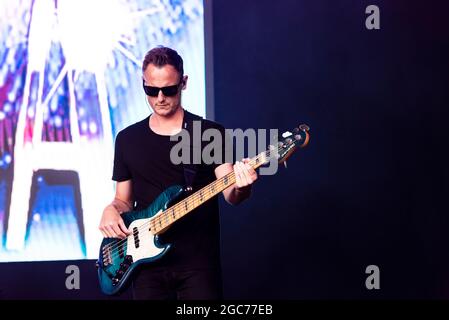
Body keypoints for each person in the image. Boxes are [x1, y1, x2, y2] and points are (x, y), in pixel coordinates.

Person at [98, 46, 257, 300]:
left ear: (183, 83)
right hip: (145, 265)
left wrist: (243, 185)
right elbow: (123, 200)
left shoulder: (209, 133)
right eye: (151, 90)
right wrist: (111, 209)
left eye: (169, 89)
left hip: (197, 263)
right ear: (143, 84)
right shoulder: (127, 139)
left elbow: (231, 194)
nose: (160, 97)